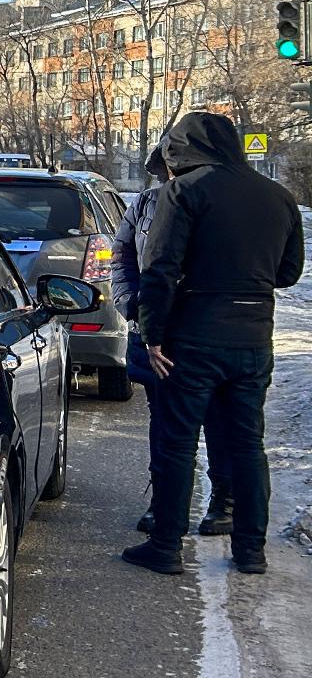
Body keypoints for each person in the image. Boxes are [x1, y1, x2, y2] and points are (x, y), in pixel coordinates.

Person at [125, 112, 303, 576]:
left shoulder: (183, 192)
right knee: (247, 445)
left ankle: (165, 547)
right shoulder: (280, 198)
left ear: (182, 149)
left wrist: (153, 333)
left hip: (192, 337)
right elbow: (288, 274)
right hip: (253, 337)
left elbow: (160, 268)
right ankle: (250, 551)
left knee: (177, 443)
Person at [112, 143, 231, 536]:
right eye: (166, 161)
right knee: (164, 423)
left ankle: (223, 502)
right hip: (152, 331)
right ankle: (163, 503)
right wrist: (131, 303)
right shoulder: (146, 203)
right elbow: (123, 256)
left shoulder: (217, 201)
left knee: (217, 418)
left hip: (204, 332)